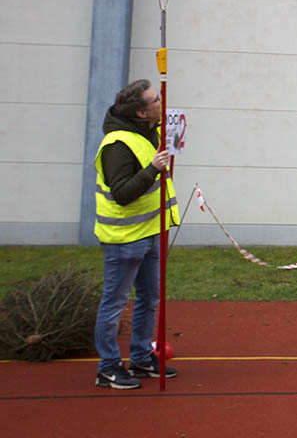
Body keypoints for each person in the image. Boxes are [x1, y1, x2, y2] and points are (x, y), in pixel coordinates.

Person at [92, 79, 180, 389]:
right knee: (115, 301)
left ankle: (141, 358)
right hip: (125, 238)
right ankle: (108, 367)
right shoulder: (118, 144)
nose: (161, 102)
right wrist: (153, 168)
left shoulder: (148, 133)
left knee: (149, 298)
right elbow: (122, 193)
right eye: (155, 100)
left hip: (152, 230)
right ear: (142, 112)